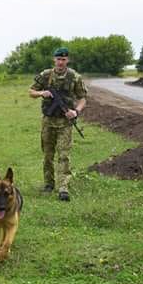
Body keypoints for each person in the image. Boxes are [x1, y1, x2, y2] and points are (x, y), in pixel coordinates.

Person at [28, 47, 87, 201]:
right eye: (58, 59)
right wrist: (42, 93)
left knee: (64, 155)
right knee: (48, 155)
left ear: (68, 60)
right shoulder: (46, 75)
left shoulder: (74, 77)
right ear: (54, 59)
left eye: (64, 59)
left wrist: (76, 112)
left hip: (65, 122)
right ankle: (49, 183)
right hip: (48, 121)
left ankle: (63, 188)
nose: (61, 62)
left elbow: (82, 98)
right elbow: (31, 91)